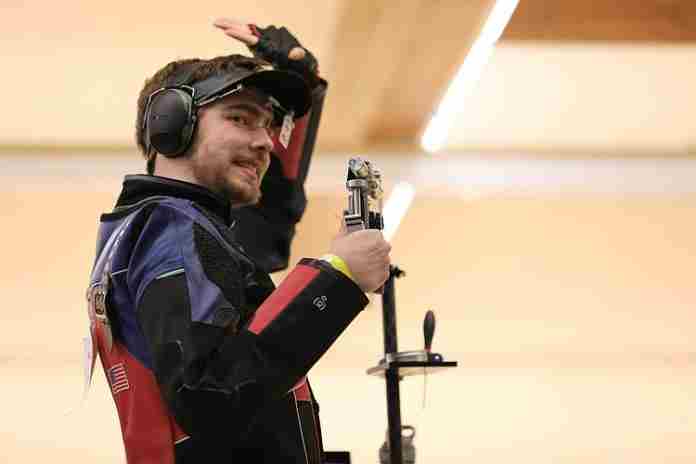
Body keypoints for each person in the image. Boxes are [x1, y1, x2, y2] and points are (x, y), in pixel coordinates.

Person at [86, 19, 391, 463]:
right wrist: (338, 279)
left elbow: (265, 226)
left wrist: (303, 88)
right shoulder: (174, 234)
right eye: (240, 118)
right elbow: (209, 395)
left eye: (268, 125)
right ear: (172, 123)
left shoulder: (158, 227)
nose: (265, 142)